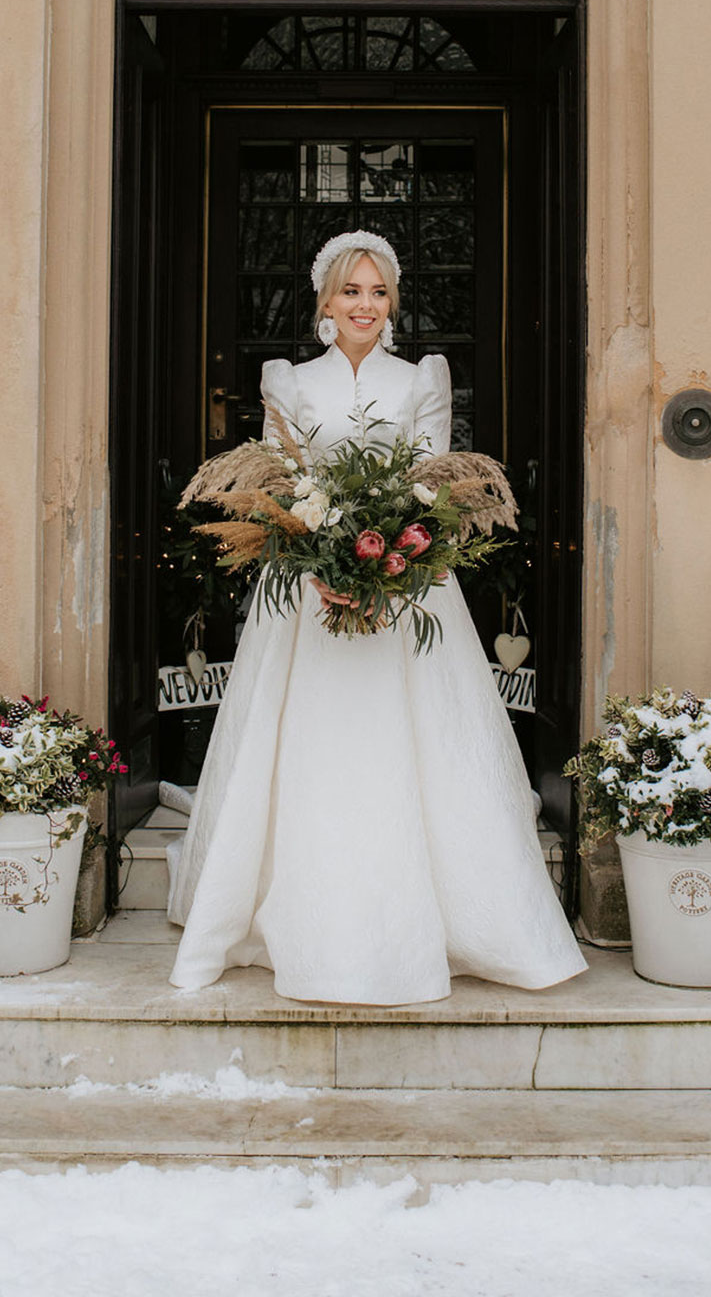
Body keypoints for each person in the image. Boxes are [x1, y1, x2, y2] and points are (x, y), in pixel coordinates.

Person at [167, 229, 586, 1004]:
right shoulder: (287, 383)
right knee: (307, 743)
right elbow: (281, 489)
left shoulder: (421, 377)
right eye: (351, 291)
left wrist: (397, 560)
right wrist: (317, 563)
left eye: (379, 291)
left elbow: (431, 479)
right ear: (325, 302)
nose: (365, 304)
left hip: (408, 589)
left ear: (391, 303)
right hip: (305, 596)